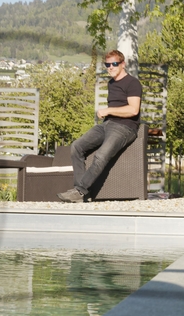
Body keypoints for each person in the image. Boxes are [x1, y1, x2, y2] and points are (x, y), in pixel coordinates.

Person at [57, 49, 142, 203]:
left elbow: (133, 109)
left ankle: (80, 191)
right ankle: (79, 190)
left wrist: (108, 110)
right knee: (77, 147)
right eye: (107, 65)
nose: (110, 67)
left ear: (123, 64)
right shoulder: (111, 83)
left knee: (101, 155)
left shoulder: (133, 83)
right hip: (107, 124)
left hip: (125, 127)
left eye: (114, 64)